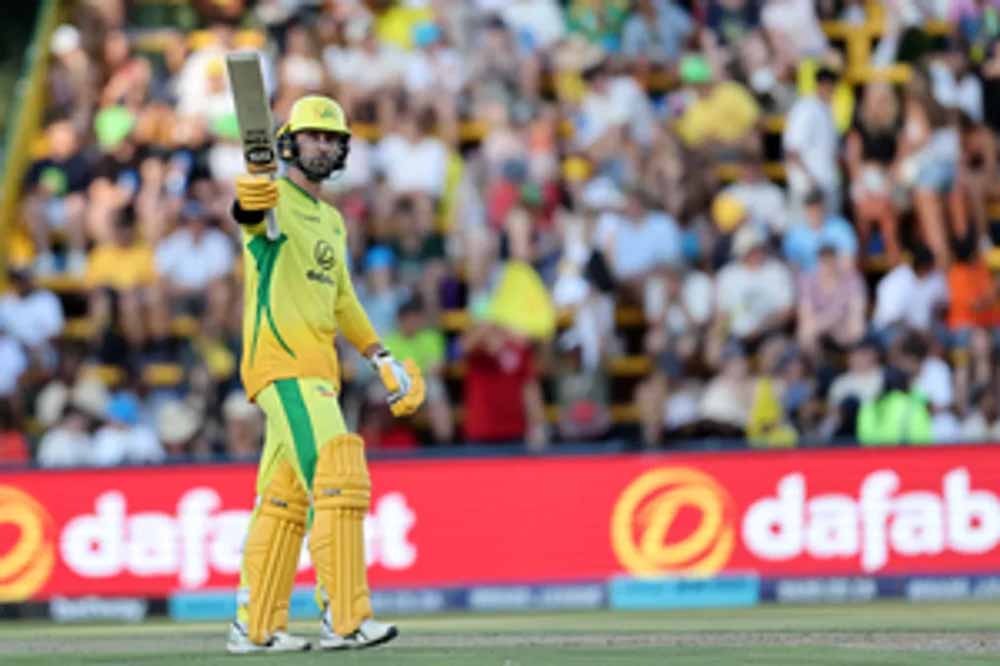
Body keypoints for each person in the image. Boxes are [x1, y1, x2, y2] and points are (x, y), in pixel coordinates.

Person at [226, 95, 425, 654]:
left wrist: (379, 356)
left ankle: (256, 627)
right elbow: (248, 216)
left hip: (318, 371)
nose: (325, 145)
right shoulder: (272, 201)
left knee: (283, 499)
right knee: (339, 475)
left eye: (333, 138)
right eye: (315, 135)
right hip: (283, 364)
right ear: (289, 143)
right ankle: (345, 618)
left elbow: (342, 301)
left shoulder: (333, 222)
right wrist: (250, 199)